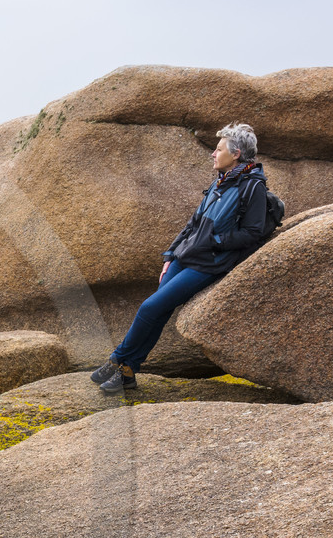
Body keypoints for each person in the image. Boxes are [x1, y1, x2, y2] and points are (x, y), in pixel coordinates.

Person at [89, 122, 270, 394]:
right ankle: (128, 373)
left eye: (219, 149)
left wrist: (215, 242)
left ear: (236, 154)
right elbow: (192, 224)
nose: (213, 153)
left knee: (149, 308)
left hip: (209, 263)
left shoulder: (252, 186)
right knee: (158, 312)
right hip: (185, 256)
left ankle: (117, 359)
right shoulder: (220, 181)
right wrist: (170, 255)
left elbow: (253, 232)